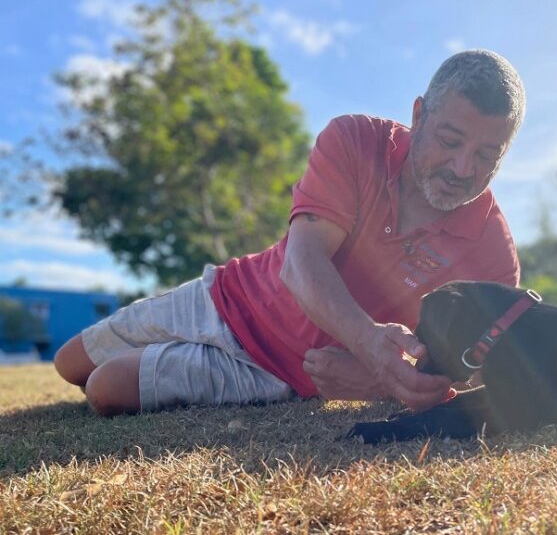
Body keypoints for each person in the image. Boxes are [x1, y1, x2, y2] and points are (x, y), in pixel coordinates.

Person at [53, 49, 526, 416]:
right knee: (69, 364)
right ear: (419, 115)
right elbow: (302, 265)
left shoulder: (495, 256)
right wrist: (370, 348)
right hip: (228, 294)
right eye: (450, 141)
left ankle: (172, 364)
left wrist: (381, 382)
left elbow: (474, 374)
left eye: (489, 154)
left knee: (104, 388)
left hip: (281, 373)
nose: (463, 168)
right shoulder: (356, 139)